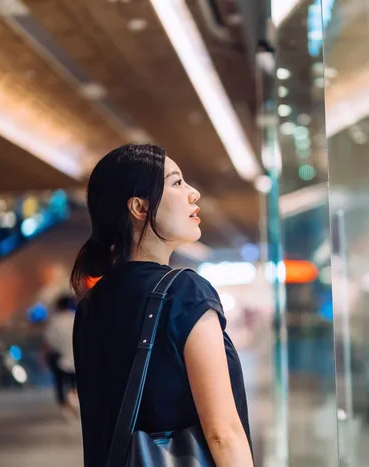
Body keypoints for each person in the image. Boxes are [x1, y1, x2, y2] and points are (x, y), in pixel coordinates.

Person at [70, 144, 252, 467]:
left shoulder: (90, 306)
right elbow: (223, 434)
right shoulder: (186, 294)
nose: (193, 194)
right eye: (177, 183)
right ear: (139, 207)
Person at [43, 294, 79, 418]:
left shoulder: (55, 322)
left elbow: (49, 342)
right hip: (78, 359)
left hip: (61, 360)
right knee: (76, 384)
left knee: (62, 383)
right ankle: (74, 401)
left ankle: (66, 404)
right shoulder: (75, 318)